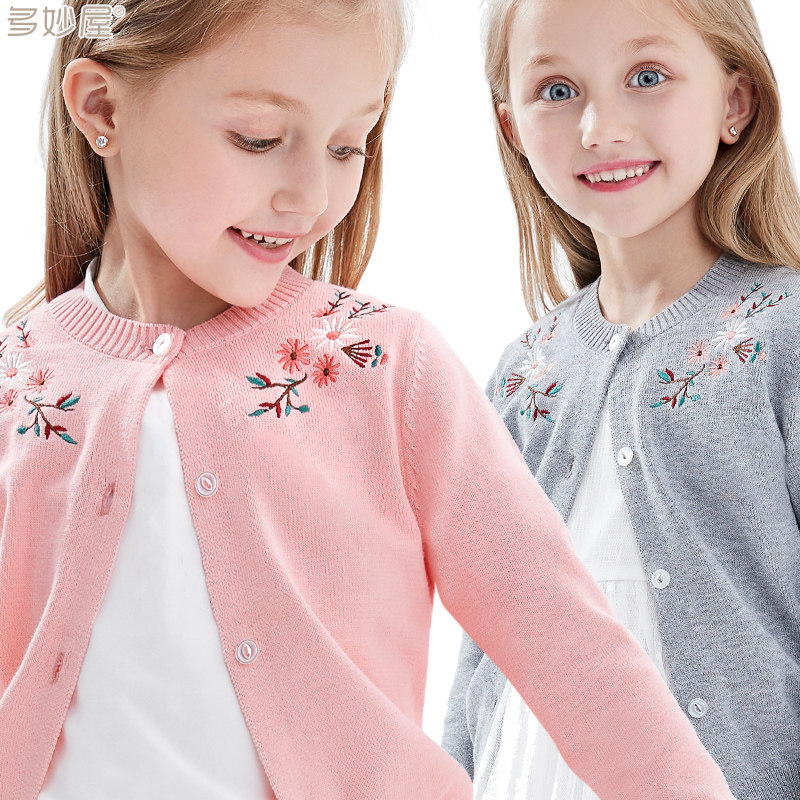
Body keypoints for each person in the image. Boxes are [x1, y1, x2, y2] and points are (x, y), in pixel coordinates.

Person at [0, 1, 738, 798]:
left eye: (347, 146)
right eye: (258, 139)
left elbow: (570, 648)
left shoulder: (384, 366)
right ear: (102, 109)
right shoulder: (19, 382)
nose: (309, 195)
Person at [441, 0, 800, 797]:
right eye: (557, 90)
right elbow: (483, 636)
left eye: (647, 76)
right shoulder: (525, 372)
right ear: (511, 127)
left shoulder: (785, 335)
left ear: (736, 100)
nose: (600, 127)